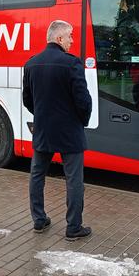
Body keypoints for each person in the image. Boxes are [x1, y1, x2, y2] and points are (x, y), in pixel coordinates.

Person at [22, 20, 93, 241]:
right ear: (59, 38)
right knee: (73, 179)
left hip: (43, 129)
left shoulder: (32, 64)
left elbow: (27, 100)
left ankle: (39, 220)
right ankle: (73, 227)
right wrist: (81, 120)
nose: (72, 41)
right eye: (70, 36)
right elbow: (83, 101)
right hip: (69, 131)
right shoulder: (72, 64)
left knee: (37, 175)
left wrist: (41, 115)